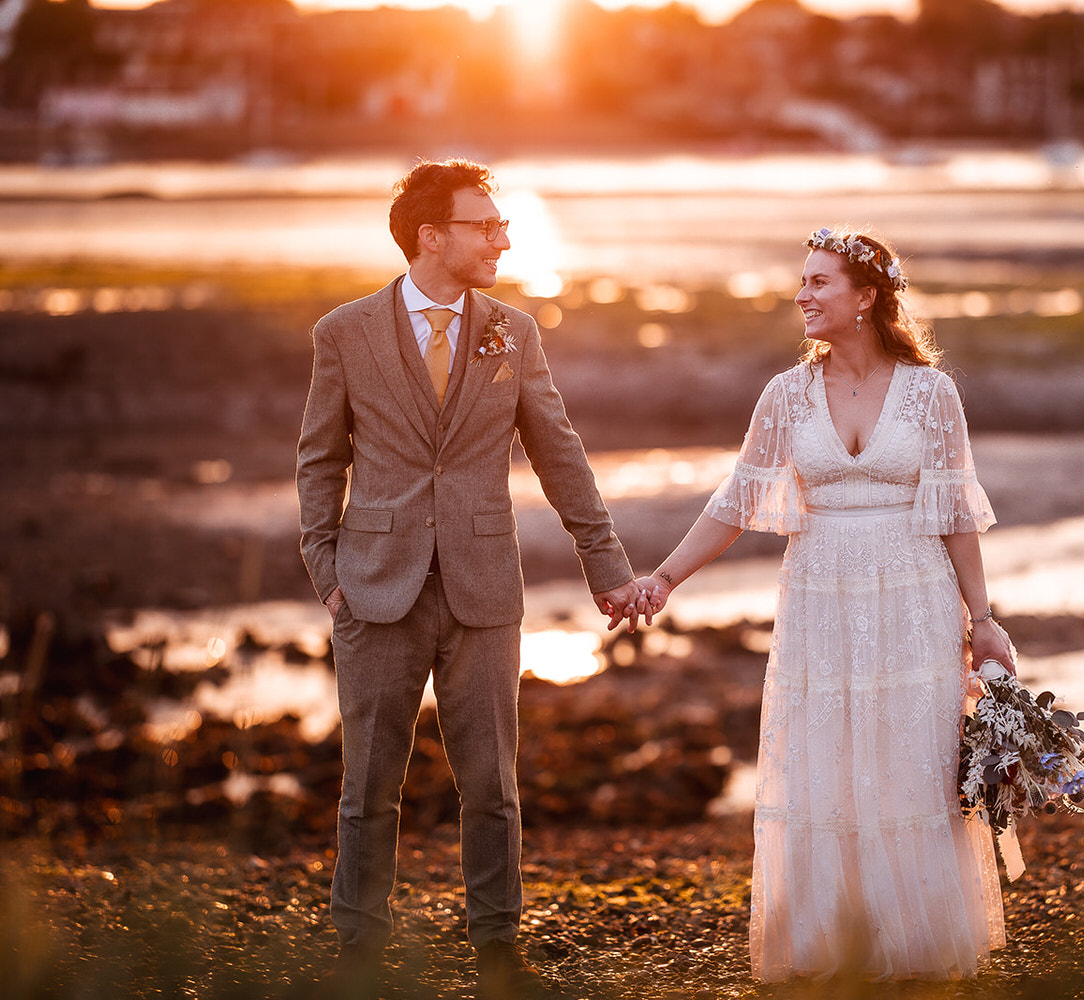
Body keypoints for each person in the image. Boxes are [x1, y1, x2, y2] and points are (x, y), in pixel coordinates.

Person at [296, 157, 645, 999]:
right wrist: (326, 571)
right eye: (484, 225)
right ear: (430, 236)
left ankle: (498, 949)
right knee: (368, 784)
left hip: (485, 586)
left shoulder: (513, 332)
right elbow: (320, 458)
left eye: (502, 225)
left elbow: (558, 451)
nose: (501, 238)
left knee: (491, 783)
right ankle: (360, 950)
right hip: (374, 588)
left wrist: (607, 563)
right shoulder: (343, 333)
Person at [636, 227, 1017, 981]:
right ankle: (825, 942)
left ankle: (912, 943)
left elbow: (956, 517)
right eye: (802, 282)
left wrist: (983, 620)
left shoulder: (931, 393)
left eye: (819, 283)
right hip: (818, 596)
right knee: (825, 759)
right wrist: (664, 578)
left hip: (913, 596)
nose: (801, 296)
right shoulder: (785, 394)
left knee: (910, 760)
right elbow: (734, 502)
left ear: (865, 298)